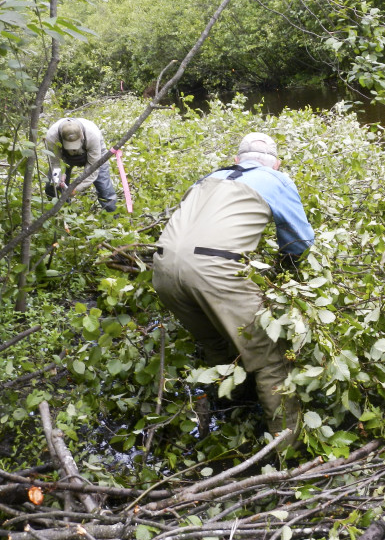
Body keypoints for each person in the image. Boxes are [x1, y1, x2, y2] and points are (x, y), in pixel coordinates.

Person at [152, 132, 314, 443]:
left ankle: (231, 404)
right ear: (277, 165)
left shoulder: (207, 178)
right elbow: (300, 241)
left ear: (237, 160)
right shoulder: (276, 179)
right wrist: (284, 274)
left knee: (215, 341)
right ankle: (287, 450)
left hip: (162, 266)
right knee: (271, 358)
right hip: (214, 269)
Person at [44, 117, 117, 212]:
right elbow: (55, 164)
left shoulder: (92, 136)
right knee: (51, 187)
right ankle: (61, 213)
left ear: (81, 136)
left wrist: (77, 188)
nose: (72, 149)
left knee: (104, 188)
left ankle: (113, 215)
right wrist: (58, 180)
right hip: (64, 157)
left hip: (93, 153)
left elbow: (92, 170)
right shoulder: (52, 137)